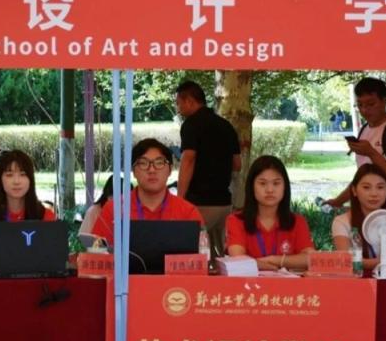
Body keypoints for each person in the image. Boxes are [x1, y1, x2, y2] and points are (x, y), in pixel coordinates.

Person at [326, 77, 386, 229]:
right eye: (360, 105)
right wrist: (338, 201)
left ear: (384, 101)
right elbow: (362, 179)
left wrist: (372, 153)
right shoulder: (364, 131)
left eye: (371, 104)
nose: (364, 110)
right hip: (368, 221)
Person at [174, 80, 240, 258]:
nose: (178, 109)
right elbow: (237, 164)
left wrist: (180, 199)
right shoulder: (226, 125)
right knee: (223, 258)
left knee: (193, 254)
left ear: (189, 101)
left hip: (199, 203)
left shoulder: (191, 125)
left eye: (179, 103)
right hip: (224, 203)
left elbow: (188, 159)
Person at [92, 139, 203, 244]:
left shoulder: (188, 213)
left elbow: (202, 253)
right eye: (143, 163)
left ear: (170, 170)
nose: (152, 170)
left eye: (159, 163)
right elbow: (96, 251)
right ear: (133, 171)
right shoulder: (114, 210)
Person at [224, 155, 314, 271]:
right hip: (250, 282)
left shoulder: (298, 222)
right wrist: (272, 266)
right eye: (262, 183)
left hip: (288, 283)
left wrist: (275, 260)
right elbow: (238, 259)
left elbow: (311, 259)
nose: (270, 190)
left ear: (285, 187)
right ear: (251, 187)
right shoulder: (236, 220)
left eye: (276, 183)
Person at [0, 150, 55, 270]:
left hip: (35, 280)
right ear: (0, 179)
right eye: (9, 175)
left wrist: (7, 254)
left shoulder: (45, 215)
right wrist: (18, 252)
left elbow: (53, 256)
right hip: (0, 280)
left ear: (31, 180)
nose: (16, 181)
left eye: (23, 174)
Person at [330, 164, 386, 270]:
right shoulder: (341, 222)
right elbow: (347, 260)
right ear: (354, 190)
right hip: (360, 279)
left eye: (380, 187)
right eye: (366, 187)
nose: (374, 194)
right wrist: (383, 262)